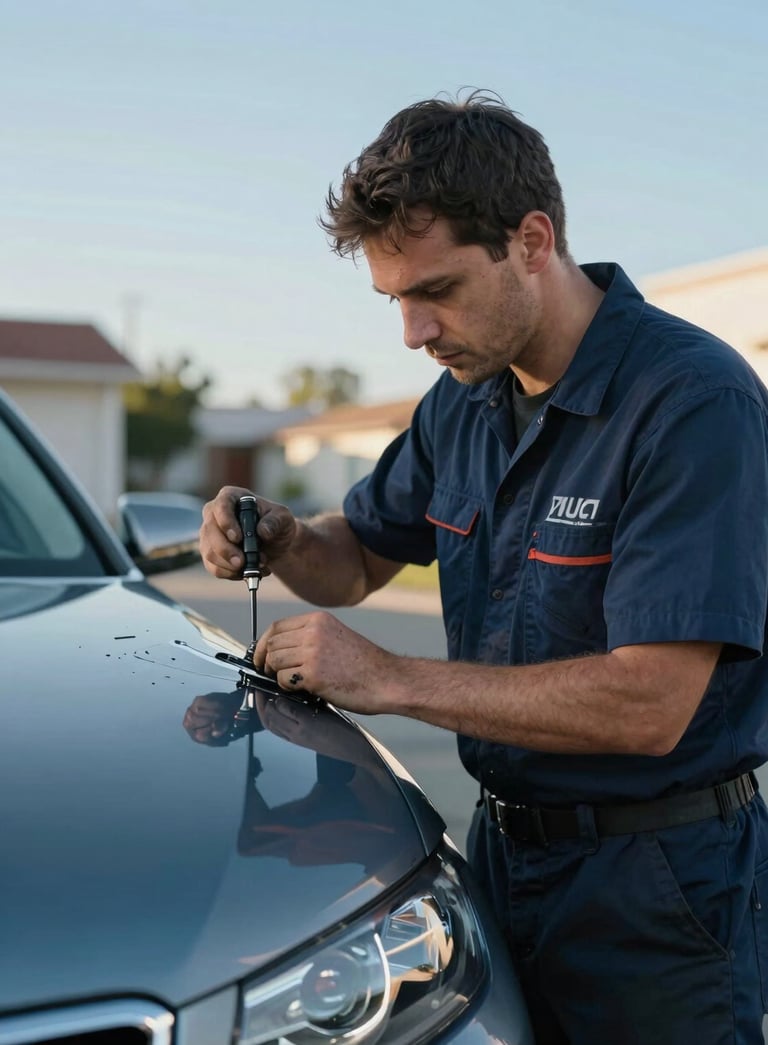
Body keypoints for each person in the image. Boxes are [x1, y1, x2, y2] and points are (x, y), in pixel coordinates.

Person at [199, 91, 768, 1043]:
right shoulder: (461, 401)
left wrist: (387, 677)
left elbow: (650, 703)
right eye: (396, 300)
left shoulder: (692, 402)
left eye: (438, 291)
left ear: (532, 240)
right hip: (498, 860)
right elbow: (356, 563)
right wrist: (289, 538)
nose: (414, 332)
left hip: (660, 891)